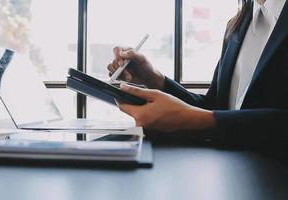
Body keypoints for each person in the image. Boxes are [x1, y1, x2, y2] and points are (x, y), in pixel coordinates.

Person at [107, 0, 288, 146]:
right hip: (232, 175)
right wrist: (154, 79)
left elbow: (208, 118)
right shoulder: (239, 24)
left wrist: (194, 119)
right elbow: (216, 108)